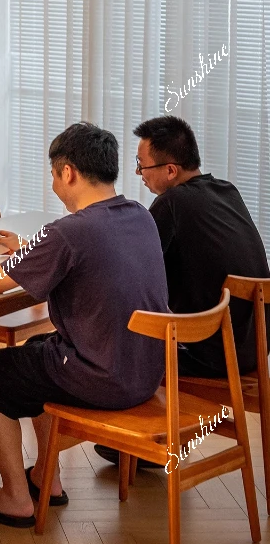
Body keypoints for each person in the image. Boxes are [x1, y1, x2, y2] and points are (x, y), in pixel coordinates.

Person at [0, 122, 168, 527]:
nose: (53, 184)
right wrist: (31, 250)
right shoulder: (139, 215)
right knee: (37, 352)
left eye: (53, 174)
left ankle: (15, 498)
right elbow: (86, 257)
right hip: (146, 371)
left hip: (103, 378)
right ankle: (48, 481)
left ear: (68, 172)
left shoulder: (69, 232)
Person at [95, 115, 270, 468]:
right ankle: (158, 444)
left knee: (126, 344)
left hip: (216, 353)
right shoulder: (226, 190)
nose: (139, 174)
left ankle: (143, 445)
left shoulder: (171, 205)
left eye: (143, 166)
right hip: (256, 345)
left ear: (171, 170)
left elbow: (131, 268)